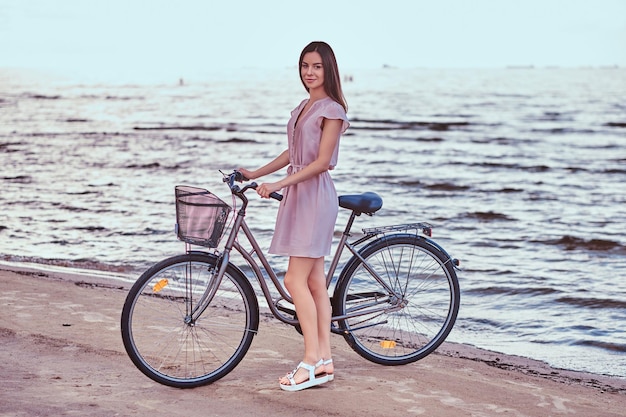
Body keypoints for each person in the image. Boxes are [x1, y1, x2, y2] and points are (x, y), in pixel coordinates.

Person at [238, 41, 349, 392]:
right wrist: (256, 174)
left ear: (328, 69)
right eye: (304, 65)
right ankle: (326, 362)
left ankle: (310, 361)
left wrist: (278, 184)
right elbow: (294, 152)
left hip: (314, 196)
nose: (309, 72)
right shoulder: (305, 106)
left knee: (293, 281)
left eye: (316, 66)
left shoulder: (332, 109)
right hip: (300, 193)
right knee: (315, 283)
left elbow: (322, 162)